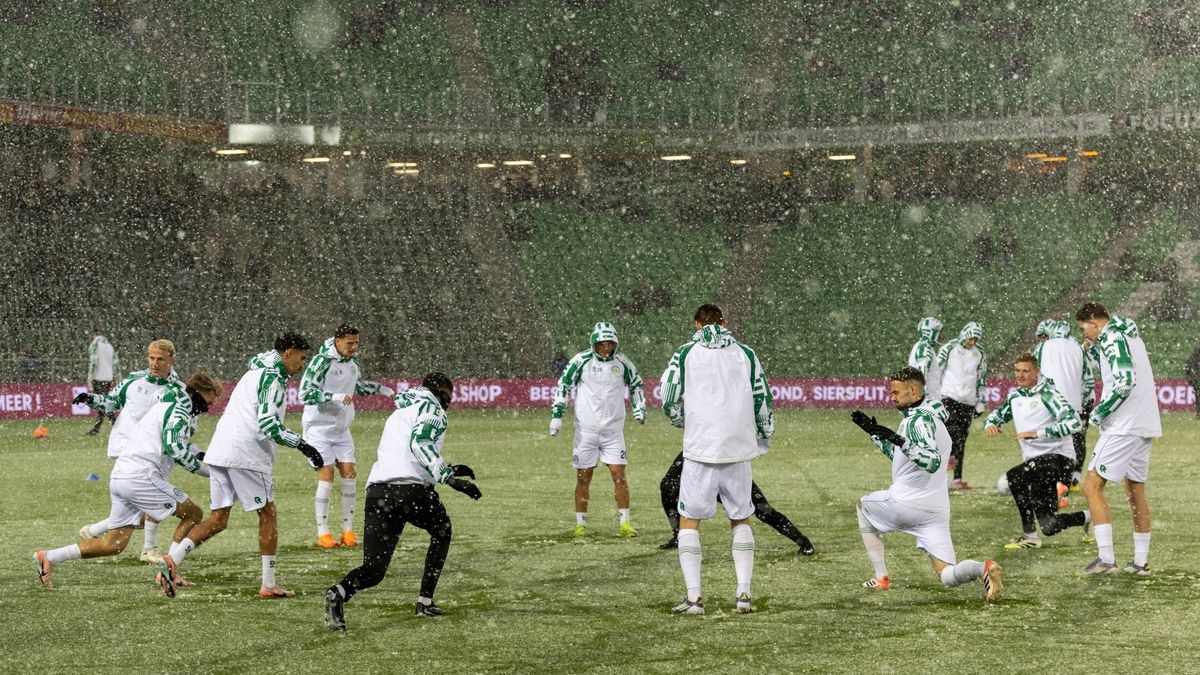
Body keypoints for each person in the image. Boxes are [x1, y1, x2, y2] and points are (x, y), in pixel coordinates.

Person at [34, 372, 223, 592]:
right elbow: (175, 449)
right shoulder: (179, 409)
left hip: (121, 476)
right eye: (211, 397)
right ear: (200, 391)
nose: (211, 404)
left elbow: (180, 443)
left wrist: (202, 456)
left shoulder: (171, 402)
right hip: (141, 476)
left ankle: (48, 557)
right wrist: (210, 473)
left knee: (113, 545)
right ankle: (170, 568)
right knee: (193, 514)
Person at [324, 373, 482, 629]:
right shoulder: (434, 408)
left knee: (374, 570)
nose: (448, 404)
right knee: (442, 531)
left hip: (379, 492)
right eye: (448, 398)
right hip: (411, 492)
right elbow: (420, 443)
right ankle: (425, 601)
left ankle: (339, 592)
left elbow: (407, 455)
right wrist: (450, 479)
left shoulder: (402, 410)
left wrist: (449, 468)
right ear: (441, 391)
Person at [850, 367, 1003, 602]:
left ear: (912, 390)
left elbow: (930, 461)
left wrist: (896, 438)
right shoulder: (932, 417)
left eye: (895, 392)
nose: (891, 398)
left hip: (907, 503)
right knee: (947, 575)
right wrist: (875, 434)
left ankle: (881, 576)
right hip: (936, 510)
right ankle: (983, 568)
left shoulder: (918, 421)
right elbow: (904, 456)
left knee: (862, 505)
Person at [191, 333, 326, 598]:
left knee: (218, 519)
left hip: (221, 449)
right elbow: (268, 424)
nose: (303, 364)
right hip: (246, 454)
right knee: (268, 513)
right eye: (302, 357)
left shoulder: (255, 370)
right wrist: (303, 445)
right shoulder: (272, 378)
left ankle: (171, 560)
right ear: (288, 352)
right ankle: (269, 584)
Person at [660, 304, 772, 615]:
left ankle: (694, 598)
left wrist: (682, 420)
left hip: (700, 449)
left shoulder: (685, 353)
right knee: (740, 517)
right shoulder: (746, 353)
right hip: (737, 449)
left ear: (696, 324)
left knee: (689, 522)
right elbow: (762, 396)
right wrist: (765, 432)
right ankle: (744, 594)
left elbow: (668, 394)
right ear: (725, 321)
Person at [74, 339, 183, 562]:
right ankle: (149, 549)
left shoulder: (176, 389)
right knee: (152, 497)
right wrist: (92, 399)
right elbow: (111, 403)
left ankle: (93, 531)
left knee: (137, 505)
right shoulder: (133, 380)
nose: (154, 363)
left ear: (171, 360)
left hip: (155, 450)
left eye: (160, 359)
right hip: (127, 448)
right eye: (151, 358)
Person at [1075, 303, 1162, 575]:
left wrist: (1100, 412)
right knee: (1135, 491)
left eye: (1084, 328)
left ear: (1093, 322)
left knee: (1091, 486)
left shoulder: (1112, 337)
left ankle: (1106, 559)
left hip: (1124, 426)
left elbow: (1124, 381)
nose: (1084, 333)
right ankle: (1139, 562)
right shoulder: (1129, 335)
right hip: (1144, 422)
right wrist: (1091, 351)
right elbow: (1118, 369)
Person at [299, 324, 395, 549]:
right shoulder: (321, 361)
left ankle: (348, 530)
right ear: (337, 341)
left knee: (350, 474)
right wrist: (333, 396)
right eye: (349, 343)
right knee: (327, 474)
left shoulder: (353, 363)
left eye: (357, 343)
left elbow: (358, 388)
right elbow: (305, 393)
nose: (354, 348)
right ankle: (323, 532)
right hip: (318, 429)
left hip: (341, 429)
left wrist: (382, 389)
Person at [549, 321, 645, 539]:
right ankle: (581, 524)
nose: (606, 348)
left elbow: (637, 384)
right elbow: (564, 384)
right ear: (594, 342)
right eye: (602, 343)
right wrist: (557, 416)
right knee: (584, 477)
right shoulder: (581, 361)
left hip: (613, 432)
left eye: (610, 343)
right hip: (586, 432)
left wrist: (639, 407)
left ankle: (625, 523)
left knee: (619, 476)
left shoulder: (622, 363)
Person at [985, 354, 1091, 549]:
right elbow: (997, 415)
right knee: (1050, 526)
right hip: (1036, 464)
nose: (1021, 375)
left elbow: (1074, 422)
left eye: (1026, 371)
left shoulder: (1048, 394)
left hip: (1059, 460)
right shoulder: (1015, 396)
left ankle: (1030, 536)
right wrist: (991, 423)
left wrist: (1038, 434)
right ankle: (1089, 516)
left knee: (1014, 477)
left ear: (1037, 372)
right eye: (1017, 370)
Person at [656, 454, 815, 554]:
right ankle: (678, 535)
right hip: (703, 458)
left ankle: (801, 540)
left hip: (728, 461)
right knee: (668, 487)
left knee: (762, 510)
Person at [1034, 320, 1093, 487]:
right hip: (1075, 404)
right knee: (1075, 442)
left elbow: (1036, 373)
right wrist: (1082, 402)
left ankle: (1050, 480)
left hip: (1051, 404)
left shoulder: (1043, 348)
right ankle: (1071, 479)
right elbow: (1088, 380)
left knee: (1050, 440)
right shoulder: (1078, 349)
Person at [937, 322, 988, 489]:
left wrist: (980, 401)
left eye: (975, 339)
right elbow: (937, 370)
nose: (972, 342)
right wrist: (934, 394)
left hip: (967, 400)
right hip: (948, 395)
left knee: (961, 439)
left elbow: (981, 378)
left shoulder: (980, 353)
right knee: (951, 431)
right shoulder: (949, 348)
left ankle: (958, 479)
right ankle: (942, 467)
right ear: (964, 334)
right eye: (970, 338)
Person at [85, 329, 120, 435]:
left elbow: (94, 362)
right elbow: (115, 364)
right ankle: (106, 426)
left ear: (94, 334)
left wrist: (90, 377)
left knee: (102, 404)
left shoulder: (95, 344)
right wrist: (117, 378)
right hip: (108, 378)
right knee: (103, 403)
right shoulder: (110, 346)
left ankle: (115, 425)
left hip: (99, 377)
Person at [907, 317, 944, 400]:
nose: (941, 335)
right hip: (928, 401)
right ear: (931, 332)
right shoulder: (925, 347)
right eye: (938, 332)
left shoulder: (919, 345)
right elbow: (922, 371)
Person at [1186, 342, 1200, 420]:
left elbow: (1188, 370)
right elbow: (1189, 370)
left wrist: (1191, 380)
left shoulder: (1192, 358)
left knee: (1198, 398)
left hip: (1196, 382)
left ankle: (1198, 413)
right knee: (1198, 398)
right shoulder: (1194, 359)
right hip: (1197, 382)